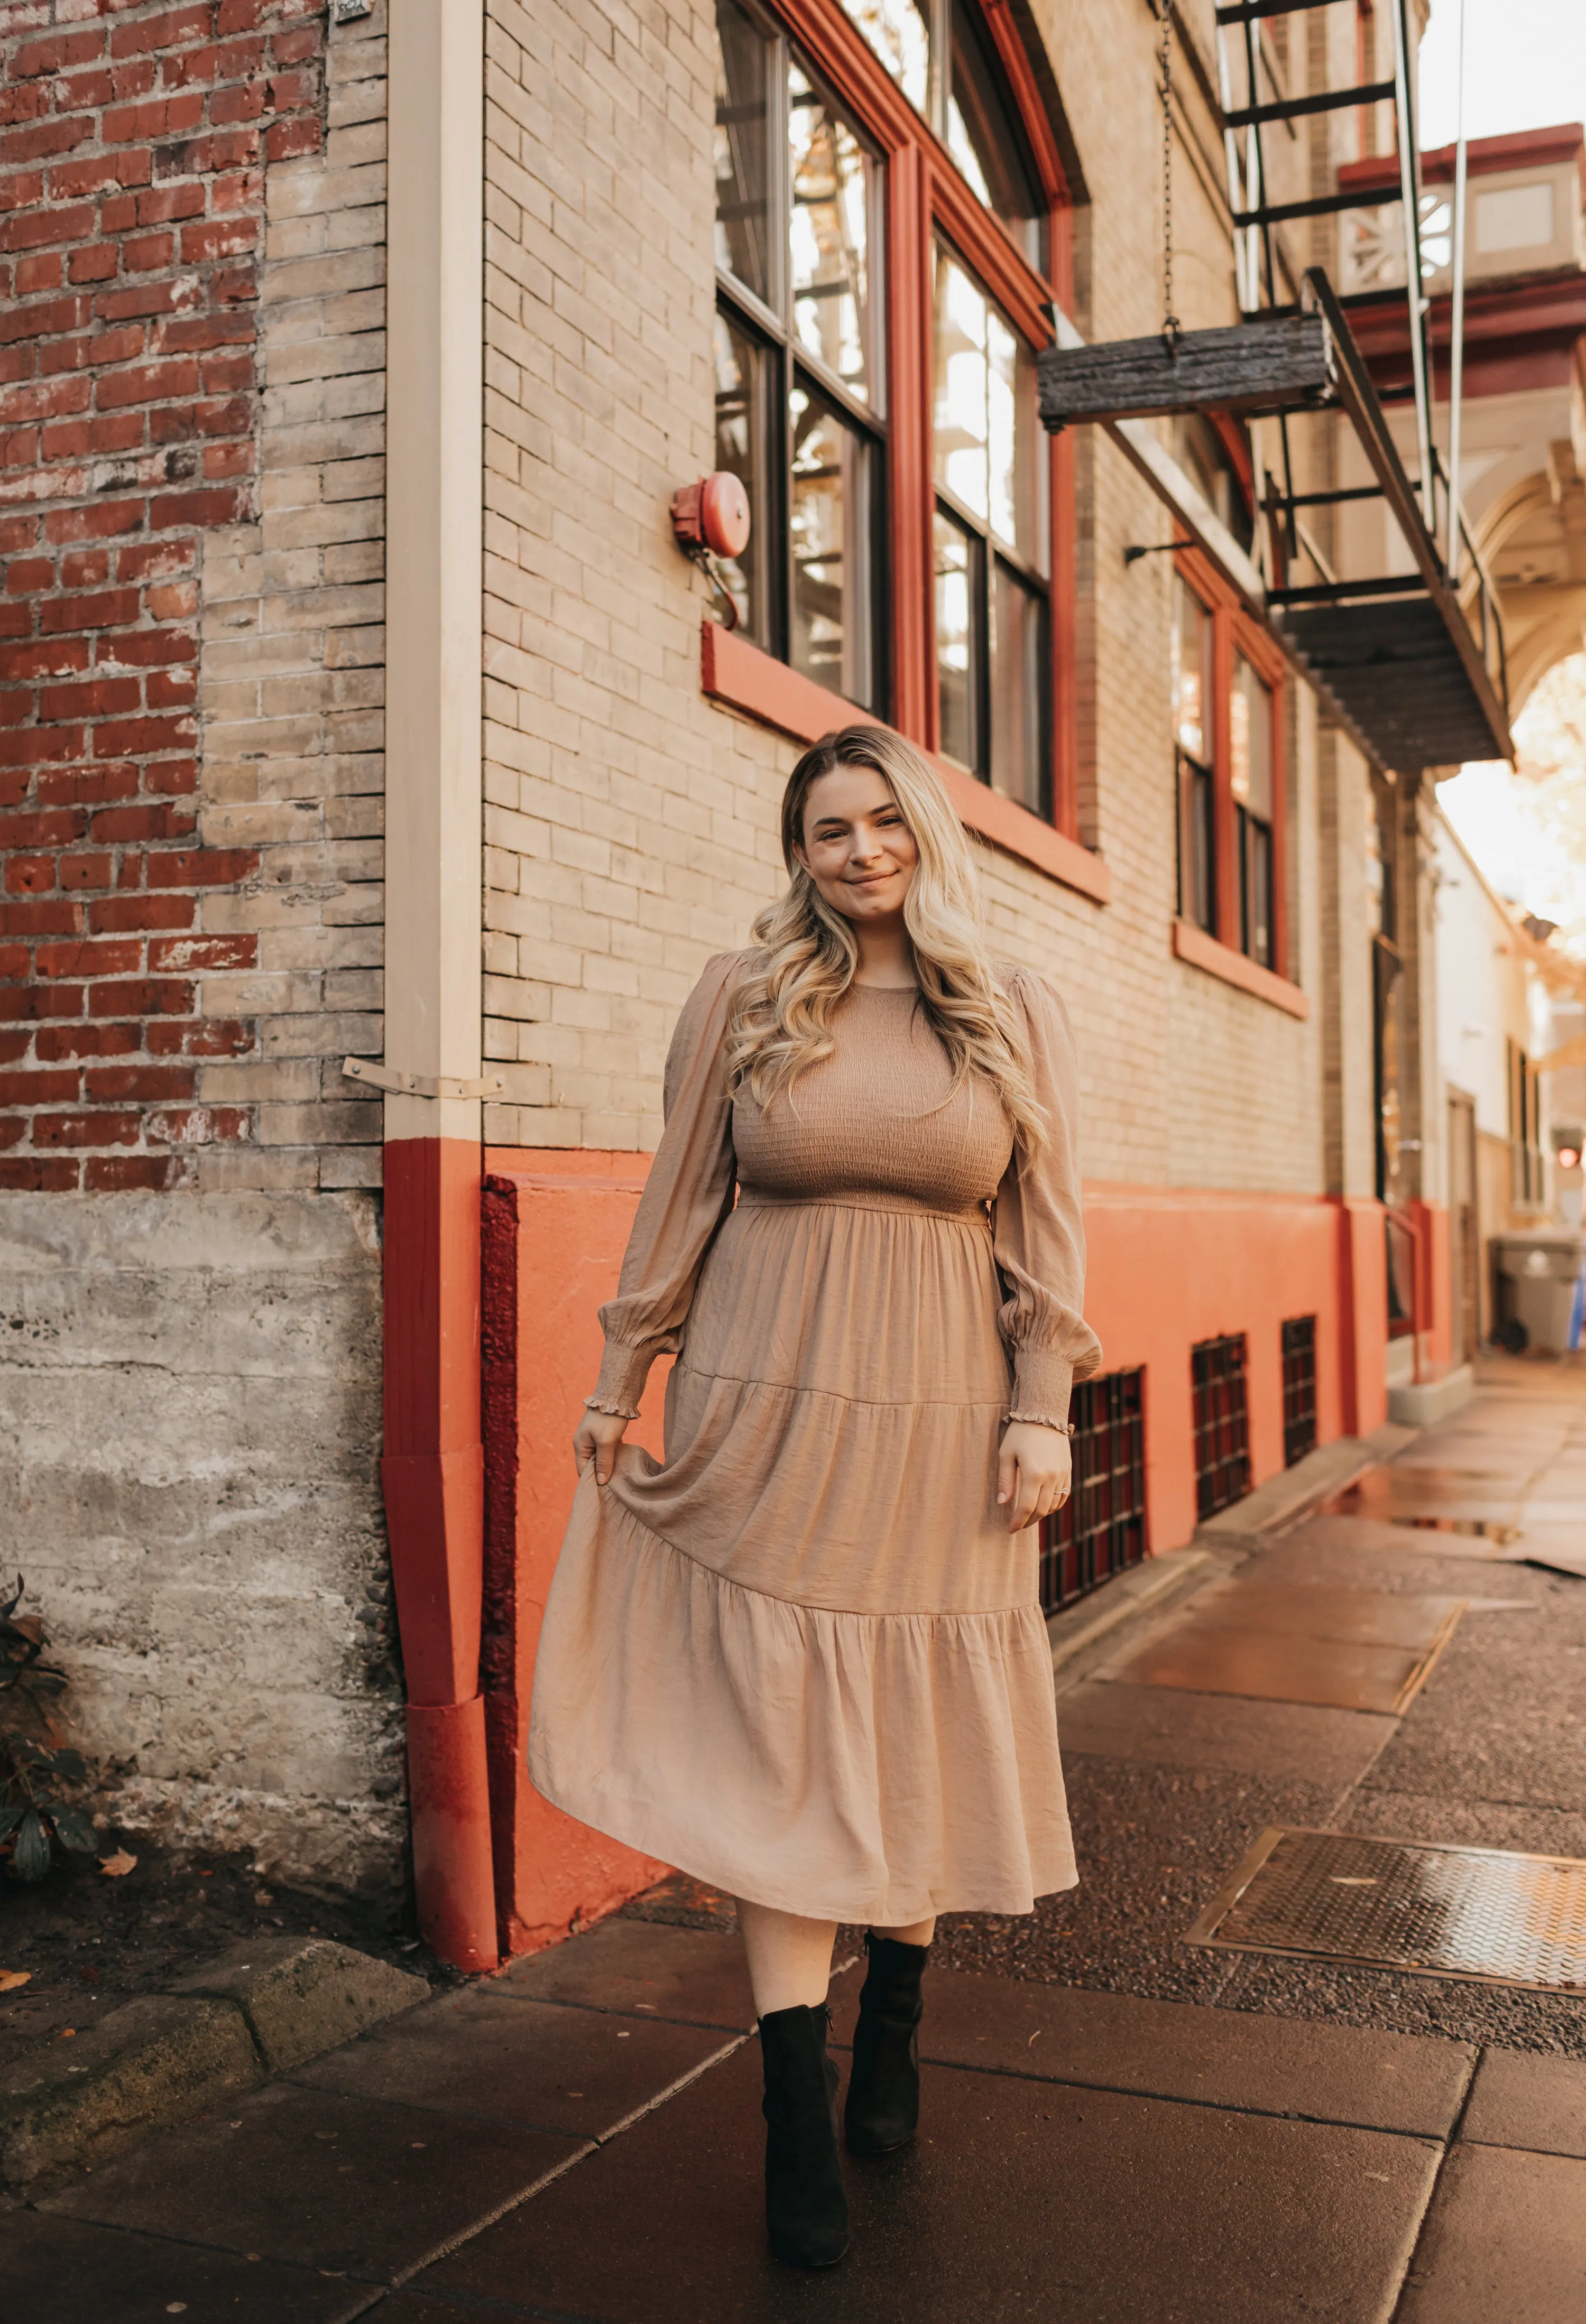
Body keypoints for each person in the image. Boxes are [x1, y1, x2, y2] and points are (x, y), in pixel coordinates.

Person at [529, 723, 1101, 2268]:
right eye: (825, 829)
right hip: (761, 1402)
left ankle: (895, 2018)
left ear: (922, 828)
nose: (857, 851)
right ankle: (796, 2095)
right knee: (786, 1754)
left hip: (938, 1425)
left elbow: (1045, 1238)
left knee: (903, 1736)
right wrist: (618, 1376)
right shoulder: (744, 994)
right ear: (799, 852)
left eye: (878, 820)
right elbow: (678, 1201)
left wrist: (1043, 1408)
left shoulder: (1008, 1010)